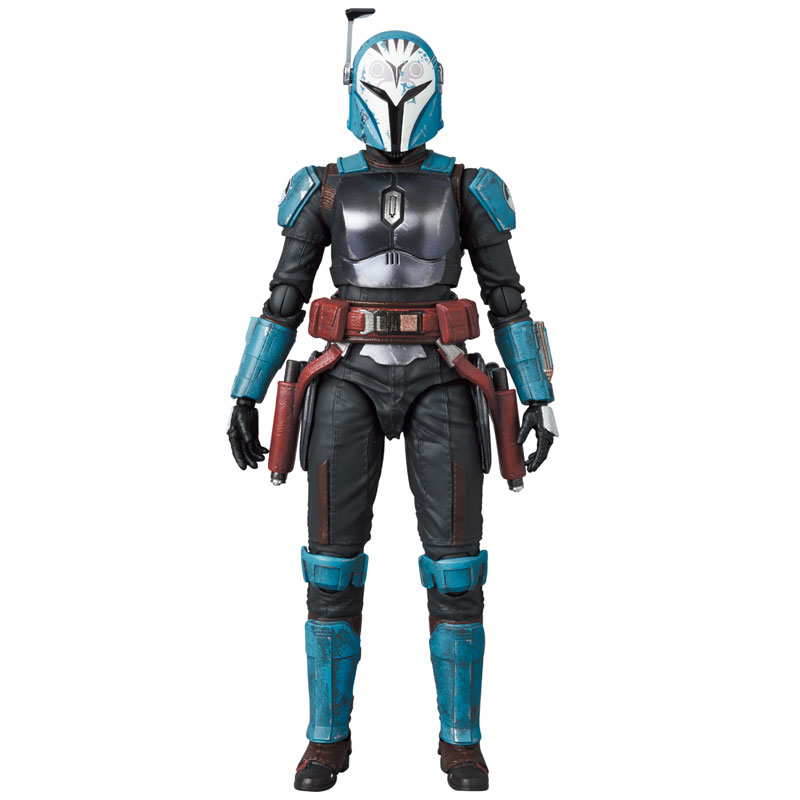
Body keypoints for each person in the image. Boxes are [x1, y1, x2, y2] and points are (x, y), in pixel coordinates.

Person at [227, 26, 558, 793]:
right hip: (345, 378)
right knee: (329, 567)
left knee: (457, 571)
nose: (397, 106)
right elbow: (283, 297)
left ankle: (461, 741)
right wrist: (246, 389)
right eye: (383, 91)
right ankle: (326, 740)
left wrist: (538, 394)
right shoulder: (324, 187)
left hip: (444, 379)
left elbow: (508, 300)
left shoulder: (468, 187)